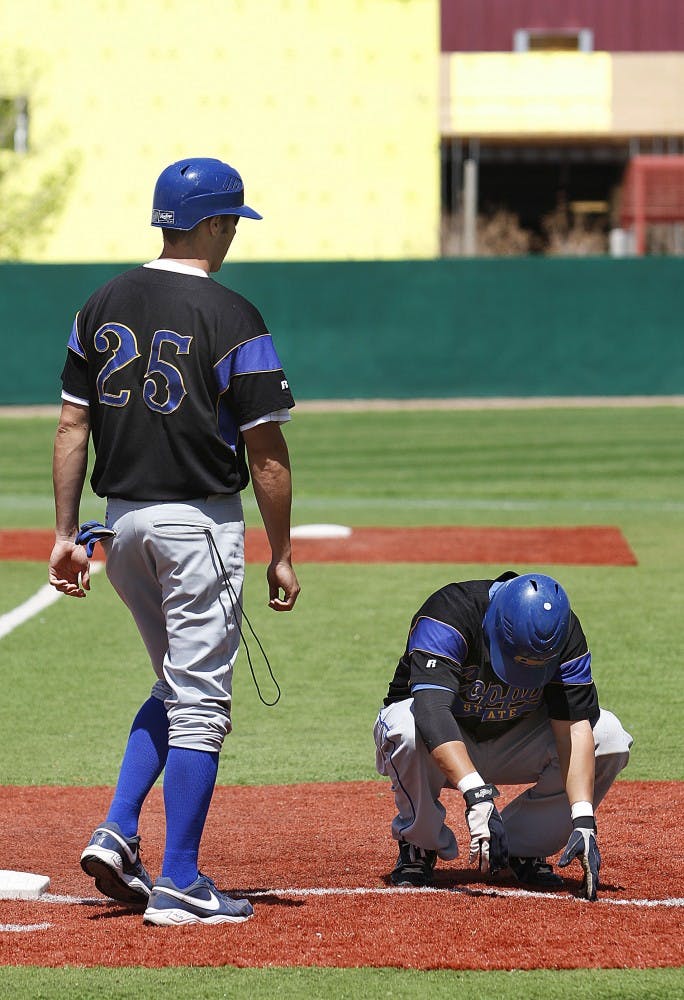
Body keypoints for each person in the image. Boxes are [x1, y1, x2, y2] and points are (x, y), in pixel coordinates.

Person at [48, 157, 300, 927]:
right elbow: (266, 454)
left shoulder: (100, 303)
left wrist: (64, 534)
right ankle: (182, 881)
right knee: (201, 706)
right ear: (214, 223)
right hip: (196, 528)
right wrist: (282, 552)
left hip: (119, 528)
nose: (233, 236)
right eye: (232, 223)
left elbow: (71, 426)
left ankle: (118, 831)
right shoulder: (233, 314)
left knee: (173, 687)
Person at [373, 570, 632, 901]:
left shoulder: (563, 630)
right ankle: (419, 843)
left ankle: (522, 846)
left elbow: (573, 725)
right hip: (440, 739)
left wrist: (583, 819)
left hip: (514, 741)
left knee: (608, 735)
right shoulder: (449, 614)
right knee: (406, 728)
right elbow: (431, 712)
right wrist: (477, 793)